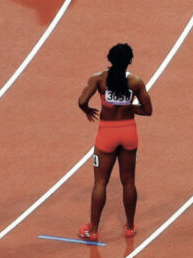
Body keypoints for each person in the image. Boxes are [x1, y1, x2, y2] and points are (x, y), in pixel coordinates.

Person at [77, 43, 152, 241]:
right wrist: (129, 108)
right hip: (128, 132)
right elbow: (148, 110)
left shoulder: (99, 79)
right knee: (128, 181)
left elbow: (82, 101)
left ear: (110, 59)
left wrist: (88, 111)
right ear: (130, 61)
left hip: (106, 134)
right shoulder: (136, 82)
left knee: (100, 182)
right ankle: (129, 227)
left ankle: (92, 230)